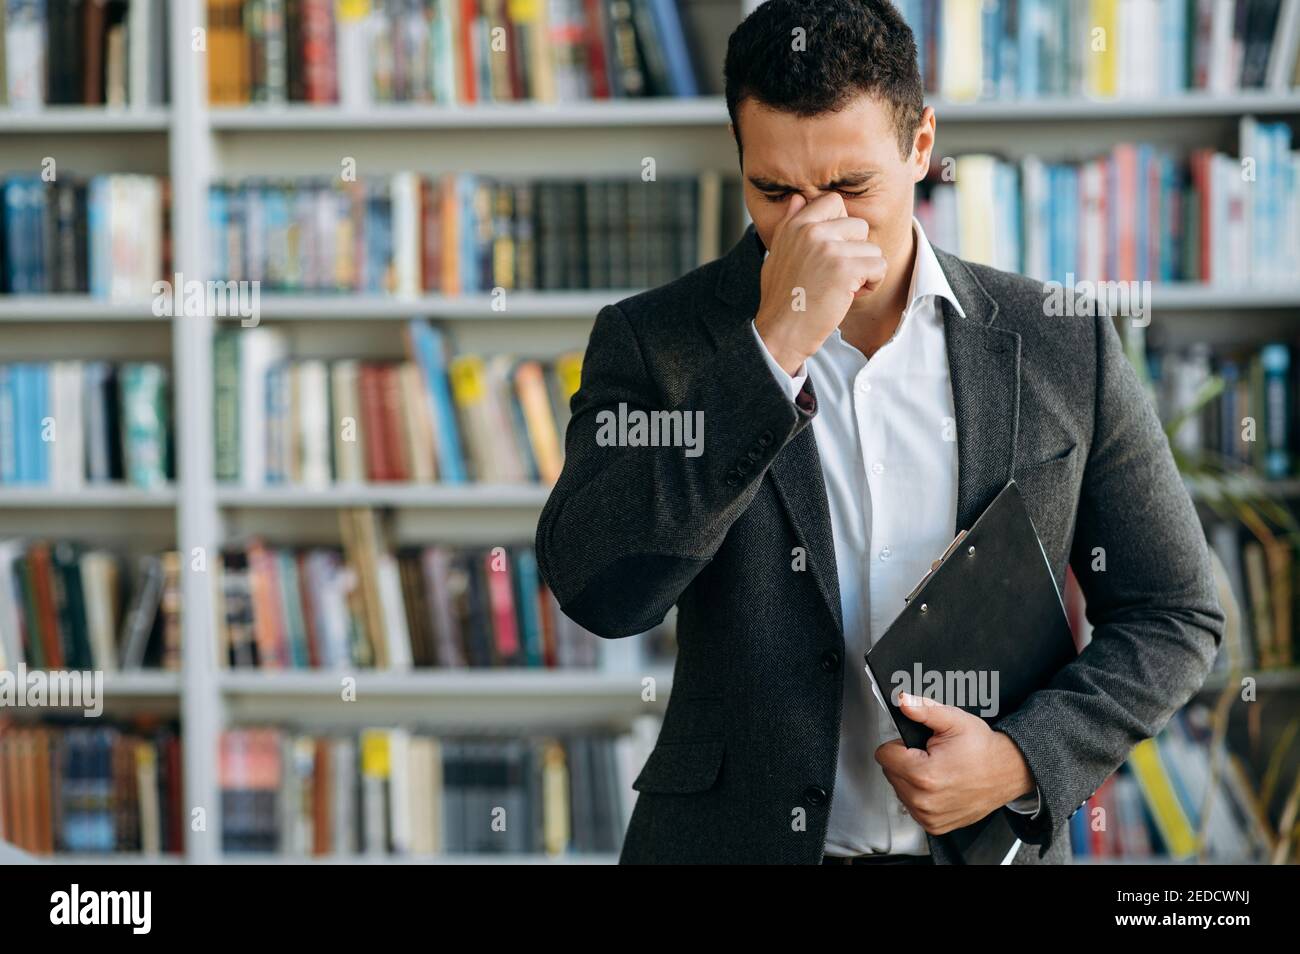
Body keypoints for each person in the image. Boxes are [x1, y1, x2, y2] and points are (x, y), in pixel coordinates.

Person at [535, 0, 1224, 864]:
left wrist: (1022, 760)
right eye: (775, 191)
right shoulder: (655, 341)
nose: (815, 229)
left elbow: (1175, 614)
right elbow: (600, 592)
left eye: (852, 188)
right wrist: (769, 350)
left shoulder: (1060, 337)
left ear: (923, 146)